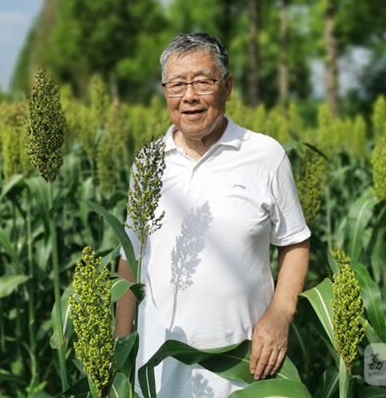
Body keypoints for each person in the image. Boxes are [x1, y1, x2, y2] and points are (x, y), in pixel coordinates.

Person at [116, 32, 311, 397]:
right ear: (165, 92)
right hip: (159, 375)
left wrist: (281, 315)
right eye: (176, 85)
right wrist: (119, 351)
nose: (189, 96)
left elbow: (295, 241)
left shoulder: (265, 156)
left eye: (203, 82)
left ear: (227, 86)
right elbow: (130, 257)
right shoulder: (148, 162)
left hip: (244, 369)